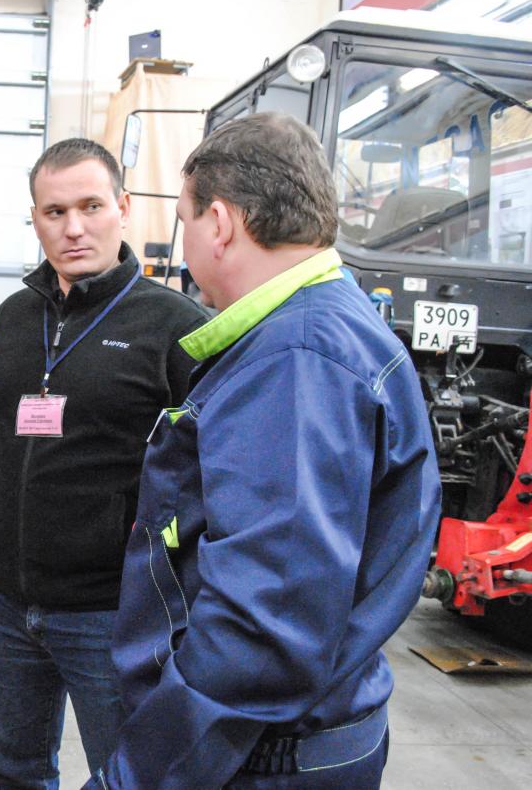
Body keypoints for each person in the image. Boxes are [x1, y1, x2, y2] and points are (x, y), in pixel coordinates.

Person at [86, 113, 441, 789]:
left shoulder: (296, 362)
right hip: (299, 732)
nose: (184, 243)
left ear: (219, 223)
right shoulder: (331, 328)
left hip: (264, 755)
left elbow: (261, 625)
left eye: (185, 221)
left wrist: (135, 776)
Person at [0, 138, 209, 788]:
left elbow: (213, 473)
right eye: (54, 211)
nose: (74, 226)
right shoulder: (14, 315)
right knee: (11, 769)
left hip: (109, 611)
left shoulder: (174, 326)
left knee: (127, 774)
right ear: (35, 219)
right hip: (7, 604)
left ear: (121, 206)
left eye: (90, 206)